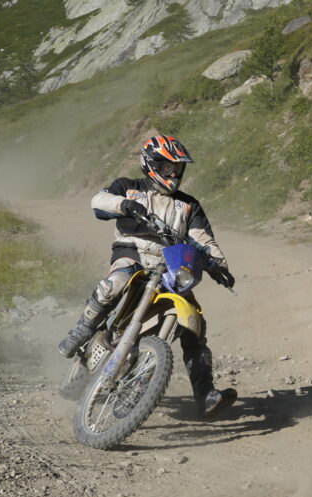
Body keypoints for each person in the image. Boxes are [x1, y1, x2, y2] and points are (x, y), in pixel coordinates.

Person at [57, 134, 238, 417]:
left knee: (194, 324)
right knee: (112, 285)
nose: (174, 173)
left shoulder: (188, 205)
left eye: (177, 168)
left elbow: (204, 239)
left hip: (169, 266)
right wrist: (125, 205)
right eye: (167, 167)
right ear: (151, 164)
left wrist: (219, 265)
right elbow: (99, 201)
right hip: (133, 254)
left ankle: (205, 394)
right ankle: (83, 328)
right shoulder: (128, 187)